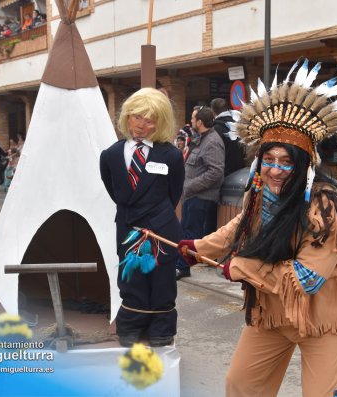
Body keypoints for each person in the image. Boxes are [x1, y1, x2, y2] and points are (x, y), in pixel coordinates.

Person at [178, 60, 337, 397]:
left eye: (286, 162)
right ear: (258, 161)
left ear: (305, 164)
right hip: (271, 312)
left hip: (322, 315)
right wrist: (199, 248)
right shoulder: (259, 191)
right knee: (241, 386)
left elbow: (306, 278)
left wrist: (241, 267)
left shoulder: (328, 207)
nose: (276, 170)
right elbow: (240, 226)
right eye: (269, 160)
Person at [99, 88, 184, 348]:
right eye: (137, 117)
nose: (141, 125)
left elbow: (174, 193)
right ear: (127, 117)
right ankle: (130, 327)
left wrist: (156, 216)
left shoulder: (170, 155)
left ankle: (161, 328)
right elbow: (114, 190)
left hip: (161, 228)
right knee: (130, 279)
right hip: (127, 226)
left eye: (150, 120)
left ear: (161, 123)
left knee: (162, 280)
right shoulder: (111, 155)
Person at [175, 106, 225, 280]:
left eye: (194, 119)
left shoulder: (212, 141)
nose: (191, 122)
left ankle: (183, 267)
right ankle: (181, 265)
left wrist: (191, 186)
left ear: (201, 122)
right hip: (193, 196)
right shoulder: (201, 139)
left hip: (201, 197)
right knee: (186, 230)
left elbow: (216, 172)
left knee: (190, 233)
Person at [210, 98, 246, 176]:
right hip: (241, 172)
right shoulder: (239, 125)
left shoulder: (215, 130)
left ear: (212, 111)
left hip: (224, 175)